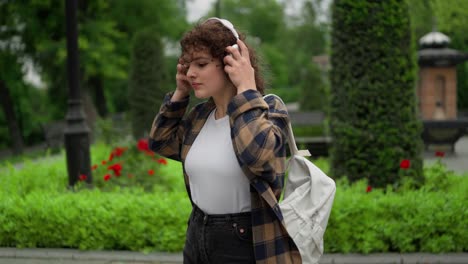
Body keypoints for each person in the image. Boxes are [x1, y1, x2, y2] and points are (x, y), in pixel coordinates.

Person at [148, 17, 301, 264]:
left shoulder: (269, 110)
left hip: (243, 242)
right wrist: (180, 94)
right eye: (187, 65)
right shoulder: (200, 116)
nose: (190, 73)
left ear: (231, 62)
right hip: (197, 234)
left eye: (201, 64)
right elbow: (160, 141)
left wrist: (247, 87)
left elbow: (258, 156)